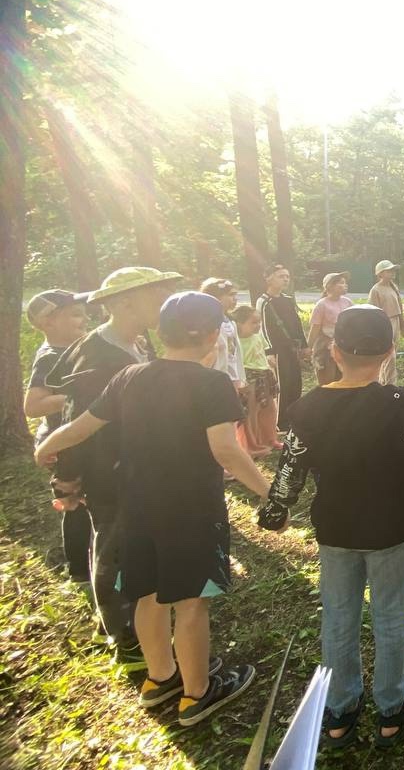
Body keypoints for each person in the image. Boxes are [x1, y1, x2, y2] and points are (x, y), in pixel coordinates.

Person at [258, 306, 404, 749]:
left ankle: (340, 711)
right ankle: (390, 709)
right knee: (390, 615)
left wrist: (276, 509)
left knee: (338, 616)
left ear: (335, 351)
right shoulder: (397, 404)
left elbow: (291, 467)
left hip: (336, 531)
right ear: (389, 352)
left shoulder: (306, 409)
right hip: (391, 530)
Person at [36, 291, 269, 724]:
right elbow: (225, 450)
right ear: (212, 335)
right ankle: (198, 693)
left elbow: (82, 426)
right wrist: (268, 493)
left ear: (161, 333)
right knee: (192, 600)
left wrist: (46, 445)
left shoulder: (130, 376)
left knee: (147, 592)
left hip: (136, 505)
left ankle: (160, 677)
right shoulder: (211, 383)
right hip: (192, 510)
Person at [42, 266, 181, 654]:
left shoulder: (138, 343)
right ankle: (126, 639)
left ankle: (142, 626)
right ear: (124, 303)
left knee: (135, 548)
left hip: (138, 469)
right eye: (156, 295)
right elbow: (77, 422)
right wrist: (67, 476)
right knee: (114, 551)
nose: (164, 303)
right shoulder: (97, 355)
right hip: (110, 473)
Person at [24, 290, 91, 582]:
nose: (84, 319)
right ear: (47, 322)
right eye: (75, 315)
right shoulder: (50, 357)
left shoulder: (76, 349)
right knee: (74, 501)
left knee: (89, 498)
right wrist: (73, 398)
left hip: (80, 437)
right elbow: (32, 406)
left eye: (84, 313)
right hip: (64, 444)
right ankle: (79, 570)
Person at [256, 263, 309, 425]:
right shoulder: (264, 301)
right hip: (277, 350)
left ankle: (293, 415)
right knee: (282, 384)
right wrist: (269, 351)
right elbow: (262, 328)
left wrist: (304, 345)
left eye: (287, 276)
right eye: (281, 276)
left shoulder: (288, 300)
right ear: (268, 279)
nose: (285, 279)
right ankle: (280, 421)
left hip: (291, 348)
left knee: (295, 382)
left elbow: (296, 324)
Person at [230, 304, 279, 458]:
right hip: (249, 376)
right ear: (239, 324)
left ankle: (270, 439)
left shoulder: (258, 335)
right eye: (253, 322)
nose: (258, 325)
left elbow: (264, 350)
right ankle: (252, 445)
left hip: (264, 373)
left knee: (269, 408)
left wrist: (269, 361)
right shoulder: (235, 340)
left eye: (259, 322)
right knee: (252, 412)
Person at [199, 278, 246, 396]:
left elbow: (235, 351)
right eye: (231, 295)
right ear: (215, 297)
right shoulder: (207, 322)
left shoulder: (231, 321)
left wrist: (240, 376)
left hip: (232, 375)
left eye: (236, 295)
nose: (235, 298)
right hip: (216, 376)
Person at [309, 272, 354, 386]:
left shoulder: (347, 302)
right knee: (327, 381)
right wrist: (308, 348)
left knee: (343, 380)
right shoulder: (322, 305)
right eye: (341, 283)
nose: (345, 285)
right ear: (330, 286)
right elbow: (315, 328)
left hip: (344, 347)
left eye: (345, 282)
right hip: (325, 349)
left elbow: (353, 324)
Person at [368, 260, 404, 385]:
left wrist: (402, 323)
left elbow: (399, 307)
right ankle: (390, 384)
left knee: (392, 353)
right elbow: (373, 312)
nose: (392, 272)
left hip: (395, 321)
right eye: (389, 270)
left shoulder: (393, 287)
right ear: (380, 273)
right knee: (390, 355)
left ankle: (385, 382)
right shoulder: (375, 290)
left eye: (393, 270)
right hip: (384, 324)